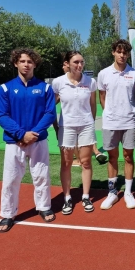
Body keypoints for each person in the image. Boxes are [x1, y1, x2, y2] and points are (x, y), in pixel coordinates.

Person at [0, 48, 56, 232]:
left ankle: (44, 207)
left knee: (41, 176)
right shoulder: (5, 88)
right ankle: (8, 213)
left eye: (29, 61)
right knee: (11, 178)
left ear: (35, 64)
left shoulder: (45, 87)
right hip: (15, 142)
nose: (26, 64)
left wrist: (33, 133)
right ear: (16, 63)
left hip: (38, 141)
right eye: (22, 61)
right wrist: (21, 134)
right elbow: (2, 116)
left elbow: (50, 113)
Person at [52, 51, 97, 215]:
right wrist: (56, 127)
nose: (79, 65)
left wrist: (90, 123)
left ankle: (85, 196)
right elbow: (51, 106)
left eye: (82, 62)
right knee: (66, 163)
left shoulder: (90, 82)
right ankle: (67, 198)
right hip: (67, 127)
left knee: (86, 162)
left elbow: (93, 106)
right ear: (68, 63)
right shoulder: (58, 82)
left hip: (86, 126)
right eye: (76, 62)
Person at [97, 39, 135, 210]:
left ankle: (128, 192)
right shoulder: (103, 74)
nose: (122, 55)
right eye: (119, 51)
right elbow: (102, 96)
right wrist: (109, 112)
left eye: (125, 52)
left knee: (128, 156)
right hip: (110, 123)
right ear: (113, 52)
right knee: (112, 158)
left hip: (130, 121)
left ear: (128, 54)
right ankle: (112, 193)